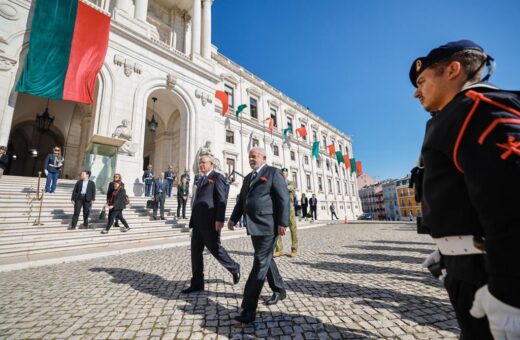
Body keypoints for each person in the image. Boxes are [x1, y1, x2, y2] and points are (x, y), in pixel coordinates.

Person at [410, 40, 520, 339]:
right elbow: (469, 190)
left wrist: (510, 294)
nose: (415, 92)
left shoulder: (479, 108)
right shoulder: (455, 114)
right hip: (465, 265)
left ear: (453, 70)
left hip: (489, 273)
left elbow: (512, 197)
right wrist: (449, 243)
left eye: (421, 81)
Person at [228, 147, 289, 324]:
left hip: (269, 226)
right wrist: (233, 219)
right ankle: (279, 289)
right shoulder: (248, 178)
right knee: (266, 259)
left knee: (259, 263)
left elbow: (283, 198)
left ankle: (248, 309)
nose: (251, 159)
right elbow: (242, 201)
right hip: (254, 226)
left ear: (264, 157)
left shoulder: (272, 172)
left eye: (254, 156)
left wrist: (283, 222)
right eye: (249, 157)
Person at [181, 154, 240, 294]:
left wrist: (219, 219)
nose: (201, 165)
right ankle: (197, 282)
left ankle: (234, 267)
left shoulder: (217, 177)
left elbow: (221, 199)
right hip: (197, 222)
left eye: (203, 162)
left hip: (210, 222)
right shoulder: (200, 179)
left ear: (211, 164)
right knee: (195, 253)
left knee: (215, 249)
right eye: (200, 162)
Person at [274, 168, 298, 258]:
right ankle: (279, 249)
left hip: (290, 209)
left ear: (287, 174)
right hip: (279, 209)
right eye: (282, 173)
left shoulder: (291, 183)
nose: (283, 174)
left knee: (293, 229)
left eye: (285, 173)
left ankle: (294, 249)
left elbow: (288, 188)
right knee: (276, 229)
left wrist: (277, 186)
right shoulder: (277, 183)